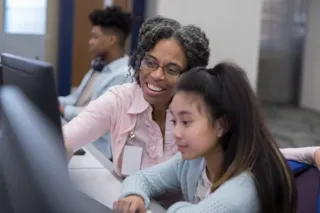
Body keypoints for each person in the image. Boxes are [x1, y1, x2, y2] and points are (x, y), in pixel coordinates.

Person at [63, 16, 320, 177]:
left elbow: (252, 152)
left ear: (191, 73)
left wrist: (311, 154)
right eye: (149, 62)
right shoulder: (121, 99)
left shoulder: (203, 110)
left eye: (172, 69)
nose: (156, 75)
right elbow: (67, 139)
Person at [113, 63, 297, 213]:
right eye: (174, 120)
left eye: (186, 122)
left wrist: (176, 207)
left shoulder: (242, 189)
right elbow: (141, 178)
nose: (176, 132)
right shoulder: (193, 162)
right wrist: (134, 195)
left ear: (221, 125)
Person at [59, 6, 132, 159]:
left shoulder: (124, 75)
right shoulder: (99, 68)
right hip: (82, 136)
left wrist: (62, 110)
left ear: (112, 40)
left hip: (98, 150)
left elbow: (96, 115)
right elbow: (75, 100)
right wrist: (51, 100)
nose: (90, 42)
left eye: (95, 37)